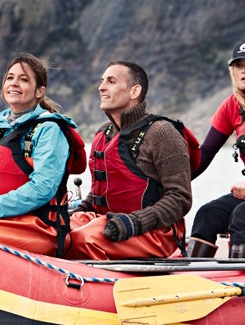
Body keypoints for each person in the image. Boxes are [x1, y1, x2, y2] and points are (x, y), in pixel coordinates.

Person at [0, 53, 84, 257]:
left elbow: (42, 188)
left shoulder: (49, 130)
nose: (14, 84)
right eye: (10, 78)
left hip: (38, 225)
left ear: (39, 91)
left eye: (24, 79)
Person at [67, 61, 192, 259]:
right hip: (105, 223)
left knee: (82, 239)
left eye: (111, 81)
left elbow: (180, 198)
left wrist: (133, 223)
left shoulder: (162, 133)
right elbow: (100, 192)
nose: (101, 87)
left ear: (134, 91)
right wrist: (73, 215)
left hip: (153, 232)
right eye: (102, 81)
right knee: (54, 232)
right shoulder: (103, 133)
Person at [188, 40, 245, 258]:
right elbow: (204, 153)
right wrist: (172, 182)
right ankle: (194, 279)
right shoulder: (233, 105)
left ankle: (244, 286)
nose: (244, 70)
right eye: (238, 65)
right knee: (207, 213)